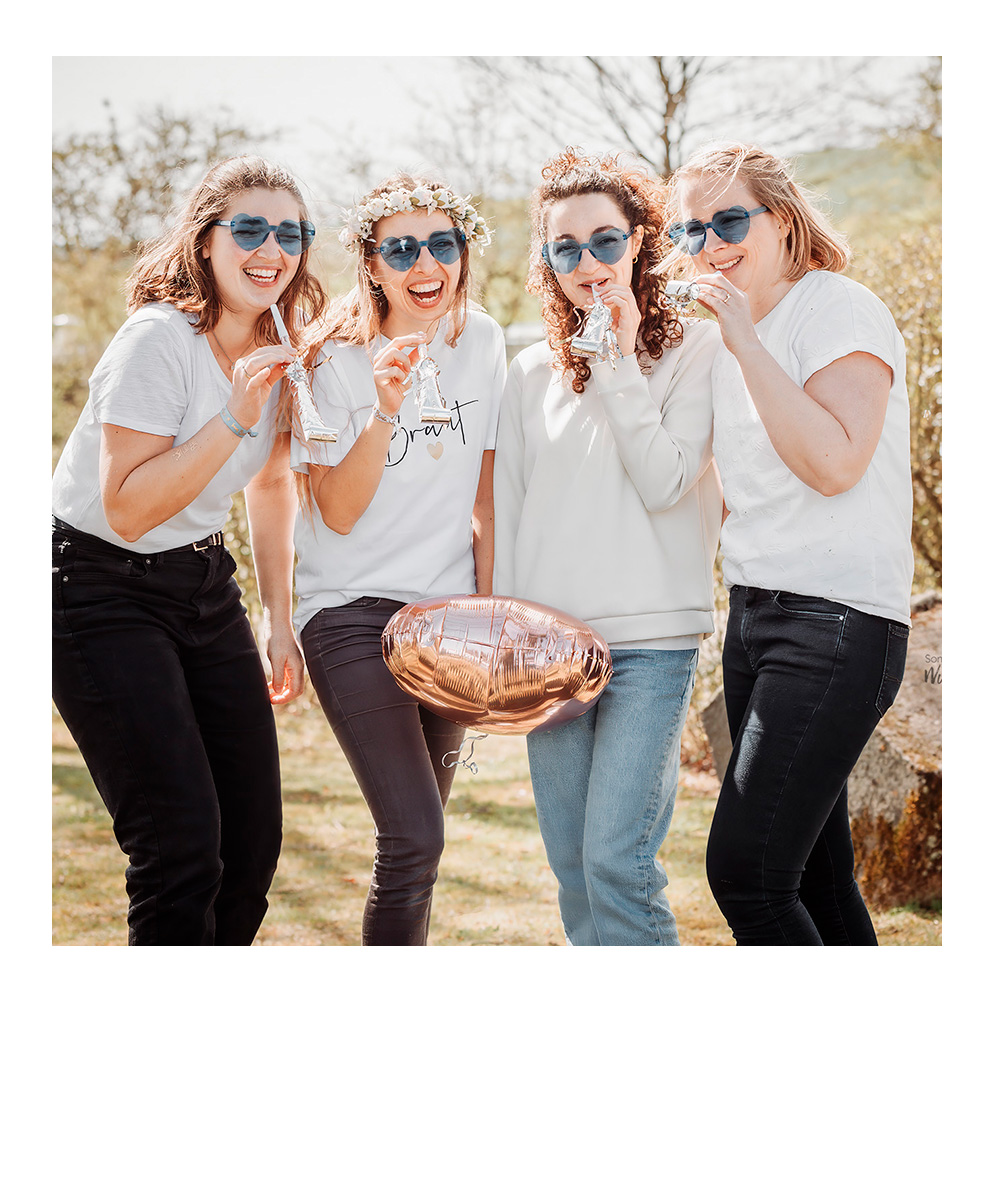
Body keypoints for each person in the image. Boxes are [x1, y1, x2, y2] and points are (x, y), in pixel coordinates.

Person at [52, 155, 326, 945]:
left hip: (204, 584)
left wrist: (278, 619)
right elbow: (128, 508)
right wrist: (236, 415)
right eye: (248, 228)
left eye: (290, 232)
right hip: (97, 588)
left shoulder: (280, 341)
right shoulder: (157, 340)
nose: (270, 248)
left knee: (250, 845)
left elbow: (272, 487)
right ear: (206, 242)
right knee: (179, 850)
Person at [663, 142, 914, 945]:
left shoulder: (836, 307)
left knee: (747, 876)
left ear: (782, 218)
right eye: (691, 229)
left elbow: (836, 464)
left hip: (837, 621)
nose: (710, 243)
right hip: (755, 616)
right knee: (815, 878)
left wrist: (743, 340)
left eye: (729, 219)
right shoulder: (724, 334)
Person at [493, 148, 723, 946]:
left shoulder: (697, 351)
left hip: (652, 646)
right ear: (546, 262)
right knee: (571, 865)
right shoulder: (527, 375)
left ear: (642, 242)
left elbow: (667, 482)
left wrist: (618, 360)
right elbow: (509, 511)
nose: (588, 262)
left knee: (618, 862)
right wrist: (507, 648)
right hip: (548, 650)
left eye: (605, 240)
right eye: (565, 247)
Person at [272, 173, 505, 946]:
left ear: (462, 254)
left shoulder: (488, 344)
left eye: (441, 244)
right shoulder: (328, 360)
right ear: (371, 264)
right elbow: (334, 512)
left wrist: (494, 616)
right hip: (348, 611)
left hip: (448, 616)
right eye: (400, 248)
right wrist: (383, 409)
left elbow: (487, 495)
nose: (424, 263)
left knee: (420, 842)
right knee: (414, 838)